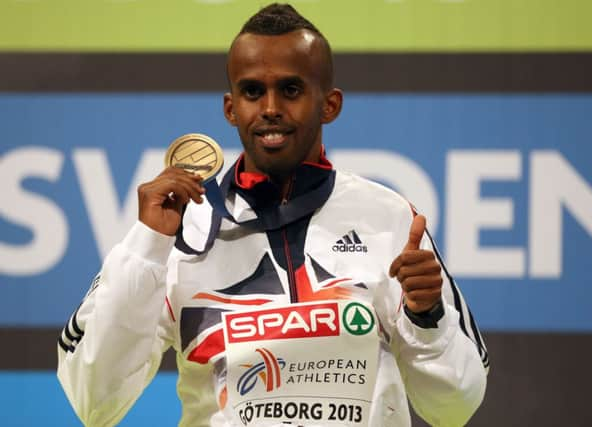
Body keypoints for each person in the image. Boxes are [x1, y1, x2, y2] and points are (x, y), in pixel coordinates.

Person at [57, 4, 488, 426]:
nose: (269, 108)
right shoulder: (181, 231)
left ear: (330, 104)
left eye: (291, 89)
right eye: (251, 92)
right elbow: (94, 403)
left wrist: (427, 316)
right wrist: (147, 246)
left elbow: (455, 409)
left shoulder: (389, 218)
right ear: (231, 109)